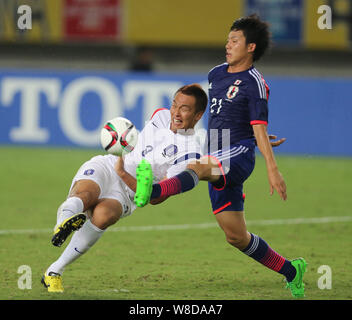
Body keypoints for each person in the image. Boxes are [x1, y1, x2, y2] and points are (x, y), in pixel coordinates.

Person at [134, 14, 307, 298]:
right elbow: (224, 117)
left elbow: (258, 125)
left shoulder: (255, 83)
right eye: (228, 39)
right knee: (236, 236)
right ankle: (292, 270)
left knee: (197, 168)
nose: (228, 45)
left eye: (235, 41)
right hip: (218, 149)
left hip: (237, 155)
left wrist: (271, 168)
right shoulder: (217, 74)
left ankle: (151, 189)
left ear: (250, 47)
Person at [41, 84, 207, 292]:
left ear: (198, 115)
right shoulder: (160, 115)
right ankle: (62, 223)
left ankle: (54, 271)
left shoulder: (190, 153)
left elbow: (155, 198)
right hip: (109, 165)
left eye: (184, 108)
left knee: (103, 216)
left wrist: (123, 174)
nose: (176, 112)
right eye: (174, 104)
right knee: (86, 194)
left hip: (128, 191)